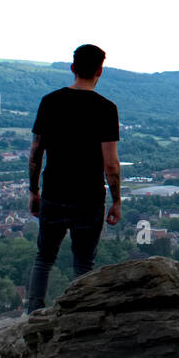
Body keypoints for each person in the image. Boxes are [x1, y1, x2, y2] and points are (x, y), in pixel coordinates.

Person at [25, 44, 121, 312]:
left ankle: (33, 313)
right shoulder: (106, 109)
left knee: (44, 257)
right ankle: (79, 316)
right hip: (89, 198)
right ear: (100, 70)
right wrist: (117, 201)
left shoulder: (50, 102)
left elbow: (35, 153)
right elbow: (111, 163)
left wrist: (34, 191)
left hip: (54, 192)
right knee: (83, 263)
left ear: (72, 68)